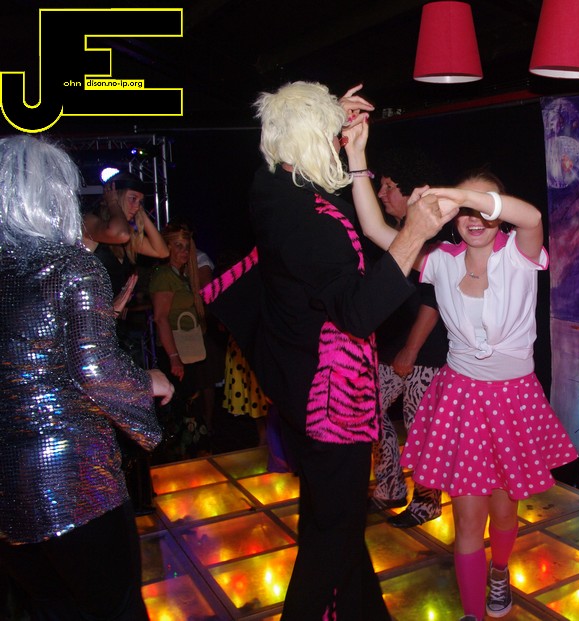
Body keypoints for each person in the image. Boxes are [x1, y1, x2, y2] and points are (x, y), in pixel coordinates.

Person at [203, 81, 455, 621]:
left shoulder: (272, 186)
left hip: (298, 385)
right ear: (310, 141)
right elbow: (360, 313)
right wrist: (413, 233)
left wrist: (328, 119)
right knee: (331, 536)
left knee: (335, 522)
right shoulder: (310, 221)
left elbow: (294, 152)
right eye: (327, 135)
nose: (335, 144)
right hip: (330, 402)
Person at [353, 168, 578, 621]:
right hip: (463, 401)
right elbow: (375, 229)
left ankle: (500, 572)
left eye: (483, 207)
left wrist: (461, 196)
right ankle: (473, 613)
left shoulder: (520, 252)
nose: (474, 218)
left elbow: (532, 216)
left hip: (513, 401)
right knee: (468, 521)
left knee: (505, 513)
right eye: (465, 210)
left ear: (499, 211)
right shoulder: (441, 260)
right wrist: (358, 163)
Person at [0, 135, 173, 619]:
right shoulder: (71, 265)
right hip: (77, 484)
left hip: (8, 493)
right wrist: (150, 381)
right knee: (115, 609)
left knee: (49, 608)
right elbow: (96, 371)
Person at [367, 158, 449, 529]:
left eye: (389, 187)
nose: (382, 194)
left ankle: (427, 501)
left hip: (425, 351)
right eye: (381, 186)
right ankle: (390, 487)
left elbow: (435, 300)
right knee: (368, 412)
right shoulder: (395, 236)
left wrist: (411, 350)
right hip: (391, 348)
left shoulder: (436, 237)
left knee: (421, 427)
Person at [149, 222, 213, 459]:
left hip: (189, 349)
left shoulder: (183, 276)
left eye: (186, 246)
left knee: (190, 405)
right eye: (178, 246)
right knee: (182, 409)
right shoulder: (164, 276)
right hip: (175, 351)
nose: (184, 251)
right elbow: (160, 318)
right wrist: (174, 358)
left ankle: (192, 458)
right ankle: (181, 460)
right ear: (167, 247)